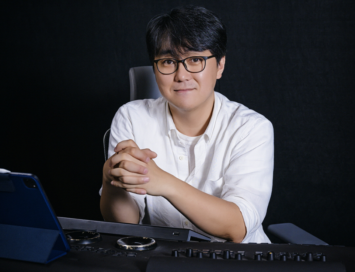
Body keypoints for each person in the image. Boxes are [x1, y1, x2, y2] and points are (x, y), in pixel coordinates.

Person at [100, 5, 273, 243]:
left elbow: (237, 227)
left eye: (195, 59)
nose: (181, 75)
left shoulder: (252, 128)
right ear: (155, 67)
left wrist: (164, 183)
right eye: (168, 61)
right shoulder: (131, 117)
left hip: (236, 263)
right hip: (163, 259)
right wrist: (111, 181)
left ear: (220, 65)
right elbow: (126, 225)